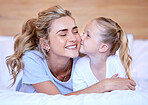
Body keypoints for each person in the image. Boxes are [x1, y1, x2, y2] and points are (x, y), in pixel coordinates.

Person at [6, 5, 136, 96]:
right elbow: (56, 100)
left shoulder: (84, 58)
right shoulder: (32, 58)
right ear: (45, 44)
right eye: (63, 34)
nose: (74, 38)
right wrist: (105, 85)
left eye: (75, 31)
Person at [73, 17, 134, 92]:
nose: (81, 38)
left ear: (102, 47)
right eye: (83, 33)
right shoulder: (80, 65)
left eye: (88, 35)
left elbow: (123, 91)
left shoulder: (115, 63)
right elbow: (78, 95)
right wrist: (107, 87)